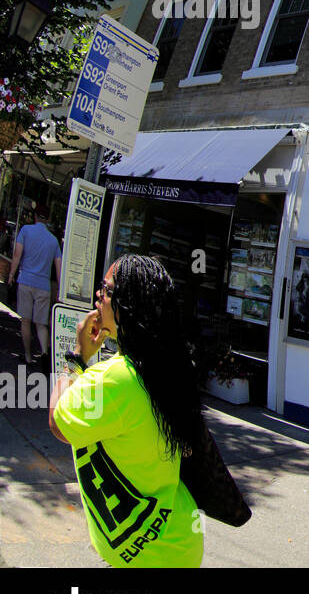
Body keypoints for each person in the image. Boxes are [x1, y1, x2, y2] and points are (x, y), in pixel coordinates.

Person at [48, 254, 204, 567]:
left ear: (124, 307)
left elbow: (57, 423)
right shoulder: (168, 364)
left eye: (105, 291)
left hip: (147, 557)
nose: (97, 296)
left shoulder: (112, 379)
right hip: (179, 540)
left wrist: (77, 358)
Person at [7, 203, 61, 367]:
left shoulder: (26, 231)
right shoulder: (54, 241)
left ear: (35, 216)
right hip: (43, 286)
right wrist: (59, 289)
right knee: (41, 324)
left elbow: (17, 254)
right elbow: (59, 266)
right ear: (48, 220)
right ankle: (44, 354)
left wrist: (11, 274)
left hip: (26, 281)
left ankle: (29, 356)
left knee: (26, 321)